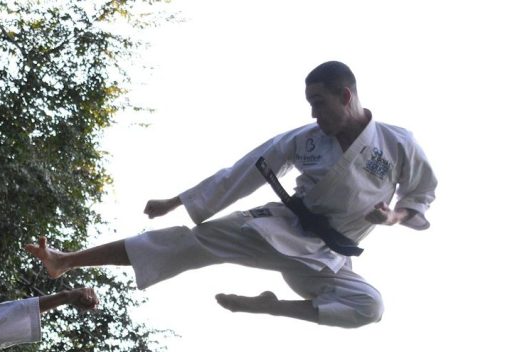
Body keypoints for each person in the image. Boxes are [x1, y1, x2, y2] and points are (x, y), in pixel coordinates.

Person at [25, 61, 437, 329]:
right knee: (183, 244)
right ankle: (66, 261)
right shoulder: (306, 140)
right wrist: (178, 201)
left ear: (345, 96)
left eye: (319, 102)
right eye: (309, 104)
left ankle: (269, 306)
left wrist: (393, 217)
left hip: (326, 258)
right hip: (278, 229)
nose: (313, 113)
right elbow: (245, 169)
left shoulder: (397, 144)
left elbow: (421, 195)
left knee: (369, 306)